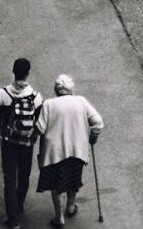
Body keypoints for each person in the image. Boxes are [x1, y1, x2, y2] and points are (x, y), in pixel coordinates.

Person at [36, 74, 103, 228]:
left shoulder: (49, 104)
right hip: (77, 150)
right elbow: (98, 123)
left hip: (55, 153)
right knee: (73, 179)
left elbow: (39, 129)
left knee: (57, 185)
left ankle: (59, 218)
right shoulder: (81, 101)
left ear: (55, 89)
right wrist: (93, 136)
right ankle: (71, 208)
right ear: (71, 89)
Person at [0, 58, 43, 229]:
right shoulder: (36, 97)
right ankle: (19, 205)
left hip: (9, 142)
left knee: (10, 179)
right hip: (27, 143)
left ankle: (13, 219)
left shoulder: (3, 94)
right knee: (23, 176)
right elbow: (39, 122)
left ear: (13, 71)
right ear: (28, 73)